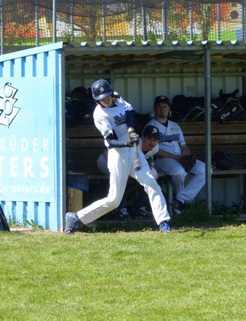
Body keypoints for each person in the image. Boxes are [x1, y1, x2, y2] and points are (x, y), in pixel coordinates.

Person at [65, 80, 170, 234]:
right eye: (102, 98)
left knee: (150, 182)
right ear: (96, 99)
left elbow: (128, 115)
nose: (106, 100)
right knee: (114, 200)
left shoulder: (117, 99)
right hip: (117, 153)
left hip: (132, 150)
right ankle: (76, 218)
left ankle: (163, 222)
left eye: (107, 96)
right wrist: (127, 144)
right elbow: (110, 140)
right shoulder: (99, 114)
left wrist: (131, 129)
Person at [96, 124, 171, 230]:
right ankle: (122, 210)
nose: (152, 143)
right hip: (105, 160)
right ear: (143, 138)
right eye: (149, 139)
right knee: (120, 183)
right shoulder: (135, 143)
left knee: (152, 175)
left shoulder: (155, 148)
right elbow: (106, 153)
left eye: (155, 139)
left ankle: (140, 207)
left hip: (129, 164)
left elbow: (148, 161)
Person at [146, 95, 207, 213]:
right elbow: (154, 150)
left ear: (169, 108)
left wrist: (187, 156)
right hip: (163, 160)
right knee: (179, 172)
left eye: (165, 106)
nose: (162, 109)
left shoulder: (175, 126)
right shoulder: (151, 126)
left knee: (205, 170)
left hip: (179, 158)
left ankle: (180, 200)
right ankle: (180, 208)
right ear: (154, 108)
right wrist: (177, 157)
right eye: (159, 107)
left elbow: (183, 146)